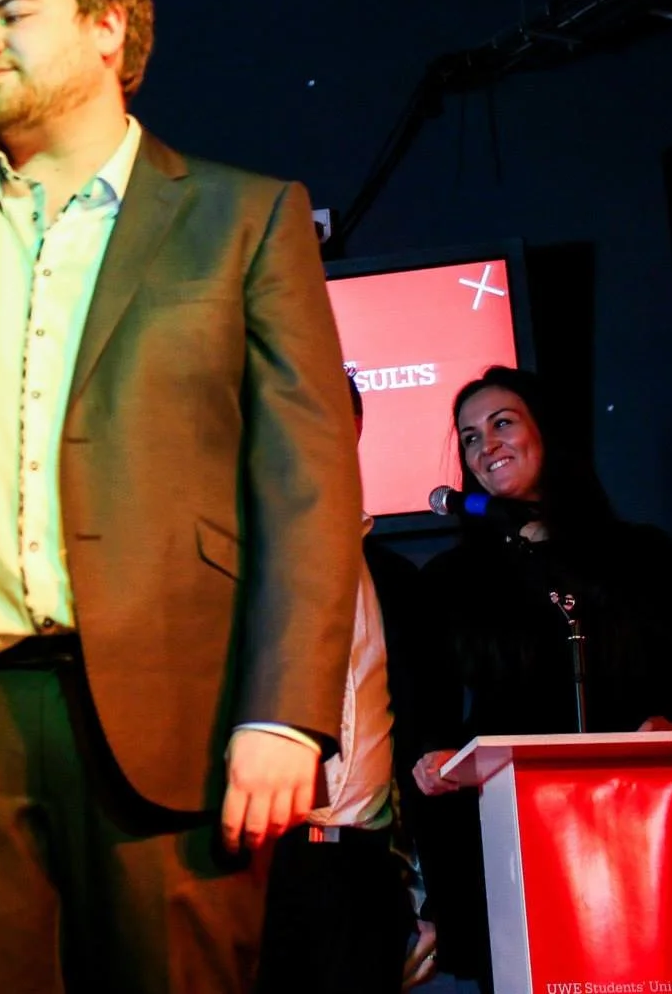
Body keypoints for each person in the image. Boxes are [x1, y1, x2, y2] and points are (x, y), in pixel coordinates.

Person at [0, 0, 363, 993]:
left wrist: (285, 714)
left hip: (176, 712)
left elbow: (306, 482)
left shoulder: (243, 217)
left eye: (11, 12)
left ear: (104, 27)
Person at [407, 365, 672, 986]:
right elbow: (426, 718)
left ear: (548, 435)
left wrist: (669, 721)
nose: (487, 446)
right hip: (512, 852)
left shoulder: (639, 557)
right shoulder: (451, 581)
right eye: (471, 438)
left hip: (640, 845)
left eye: (502, 423)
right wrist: (433, 758)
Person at [257, 370, 436, 994]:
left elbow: (420, 731)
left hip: (364, 869)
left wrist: (426, 895)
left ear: (355, 429)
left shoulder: (396, 579)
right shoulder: (231, 556)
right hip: (254, 865)